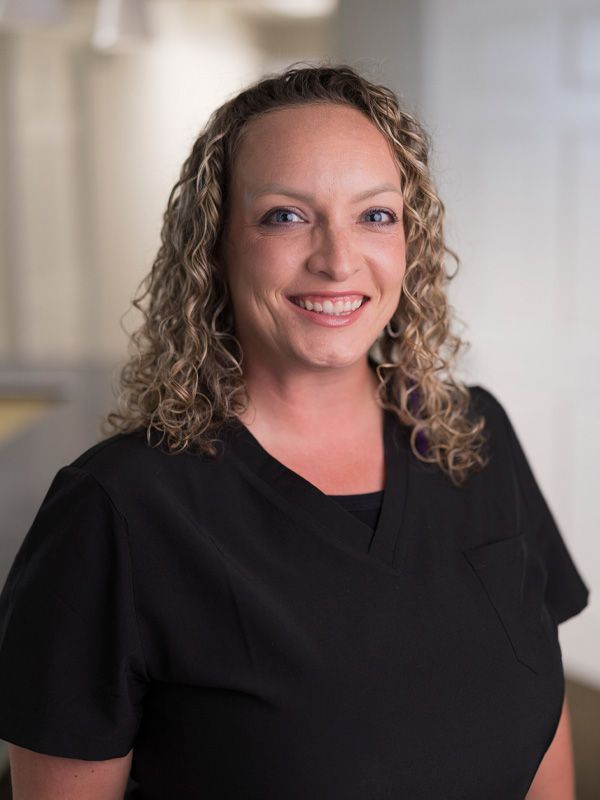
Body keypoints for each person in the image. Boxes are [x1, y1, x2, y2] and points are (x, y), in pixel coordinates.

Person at [0, 63, 590, 800]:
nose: (338, 259)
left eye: (375, 215)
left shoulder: (476, 435)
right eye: (286, 215)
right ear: (215, 249)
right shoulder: (115, 508)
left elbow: (546, 754)